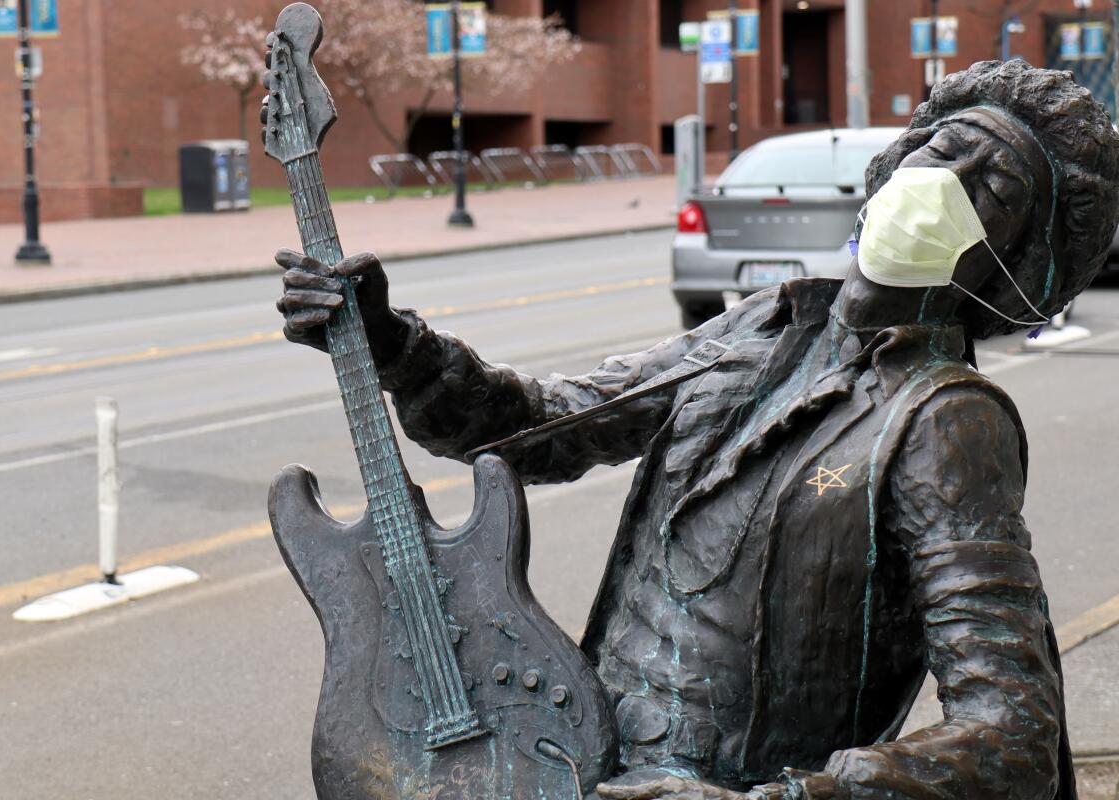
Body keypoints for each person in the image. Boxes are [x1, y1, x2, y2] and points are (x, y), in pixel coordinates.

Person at [273, 61, 1119, 799]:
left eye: (994, 191)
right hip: (575, 754)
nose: (944, 185)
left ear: (1017, 264)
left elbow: (1012, 732)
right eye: (943, 151)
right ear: (896, 161)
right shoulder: (762, 327)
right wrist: (393, 343)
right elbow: (542, 427)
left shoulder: (945, 421)